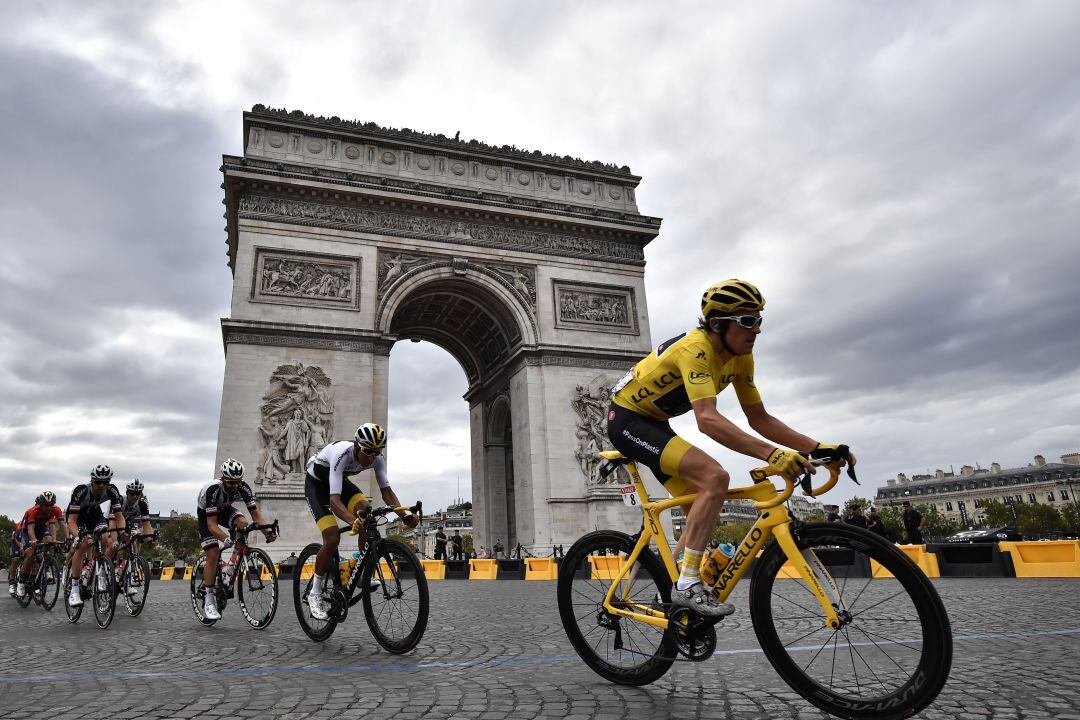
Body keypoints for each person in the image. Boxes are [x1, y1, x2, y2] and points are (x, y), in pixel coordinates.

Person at [607, 279, 855, 617]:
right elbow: (707, 420)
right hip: (627, 421)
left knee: (704, 497)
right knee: (715, 477)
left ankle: (674, 589)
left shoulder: (740, 358)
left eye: (759, 320)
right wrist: (772, 454)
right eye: (748, 321)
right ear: (718, 324)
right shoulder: (695, 350)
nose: (758, 330)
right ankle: (689, 584)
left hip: (657, 424)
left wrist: (817, 447)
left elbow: (760, 419)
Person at [302, 423, 417, 621]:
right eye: (368, 452)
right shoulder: (341, 453)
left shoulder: (377, 458)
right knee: (332, 537)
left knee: (367, 514)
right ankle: (315, 592)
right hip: (316, 485)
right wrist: (352, 520)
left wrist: (404, 515)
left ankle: (361, 574)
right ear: (356, 445)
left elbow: (387, 492)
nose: (372, 458)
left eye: (377, 452)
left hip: (338, 483)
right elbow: (334, 501)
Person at [196, 459, 277, 620]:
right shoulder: (213, 489)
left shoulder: (244, 487)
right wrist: (225, 538)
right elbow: (212, 525)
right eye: (231, 483)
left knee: (243, 523)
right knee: (213, 554)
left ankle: (233, 564)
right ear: (223, 478)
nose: (235, 487)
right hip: (206, 515)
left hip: (224, 510)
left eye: (237, 483)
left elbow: (255, 514)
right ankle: (209, 598)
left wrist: (267, 531)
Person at [66, 465, 126, 607]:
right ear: (92, 480)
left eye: (105, 482)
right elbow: (71, 520)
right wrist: (76, 536)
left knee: (106, 538)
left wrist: (122, 533)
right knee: (83, 543)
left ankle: (100, 569)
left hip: (94, 513)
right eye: (98, 482)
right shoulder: (81, 490)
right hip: (77, 516)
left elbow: (119, 516)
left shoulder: (112, 490)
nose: (101, 485)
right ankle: (74, 588)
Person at [16, 492, 65, 599]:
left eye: (51, 505)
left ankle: (47, 566)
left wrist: (61, 539)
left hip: (42, 528)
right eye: (46, 505)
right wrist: (33, 540)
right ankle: (21, 581)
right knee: (30, 554)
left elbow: (56, 525)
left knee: (50, 541)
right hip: (26, 530)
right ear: (40, 504)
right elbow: (30, 529)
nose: (48, 508)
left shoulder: (55, 509)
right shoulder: (32, 511)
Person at [7, 515, 28, 597]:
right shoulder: (20, 527)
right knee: (15, 559)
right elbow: (16, 540)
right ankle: (12, 582)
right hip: (15, 542)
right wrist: (22, 547)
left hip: (24, 540)